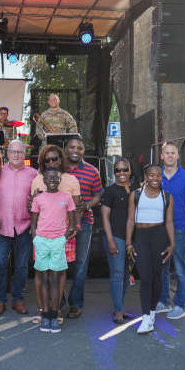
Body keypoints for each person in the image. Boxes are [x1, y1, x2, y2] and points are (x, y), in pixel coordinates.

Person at [31, 145, 81, 323]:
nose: (51, 162)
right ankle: (41, 308)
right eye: (47, 160)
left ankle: (56, 308)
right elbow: (34, 207)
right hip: (43, 234)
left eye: (55, 159)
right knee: (42, 271)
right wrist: (34, 233)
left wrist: (75, 227)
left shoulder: (72, 180)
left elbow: (76, 208)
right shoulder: (38, 180)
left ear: (61, 159)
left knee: (58, 272)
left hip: (64, 235)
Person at [126, 164, 175, 334]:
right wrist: (128, 244)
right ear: (146, 177)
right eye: (151, 175)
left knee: (157, 277)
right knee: (146, 278)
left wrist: (172, 244)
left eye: (158, 175)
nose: (155, 178)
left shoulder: (167, 197)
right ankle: (146, 317)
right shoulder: (136, 195)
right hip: (141, 236)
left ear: (162, 177)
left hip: (159, 236)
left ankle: (152, 311)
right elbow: (131, 220)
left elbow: (169, 222)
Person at [0, 140, 38, 315]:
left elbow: (38, 198)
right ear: (7, 153)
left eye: (20, 152)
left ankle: (18, 299)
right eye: (13, 151)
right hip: (1, 226)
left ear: (24, 154)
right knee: (1, 265)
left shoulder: (33, 174)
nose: (16, 155)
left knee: (21, 266)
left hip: (24, 226)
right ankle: (0, 300)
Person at [158, 142, 185, 320]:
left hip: (180, 228)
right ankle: (163, 301)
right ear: (162, 156)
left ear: (178, 156)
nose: (170, 156)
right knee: (161, 267)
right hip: (158, 228)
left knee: (181, 268)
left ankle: (180, 304)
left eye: (173, 153)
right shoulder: (155, 176)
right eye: (167, 153)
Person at [65, 136, 103, 319]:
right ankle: (57, 301)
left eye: (79, 148)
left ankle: (75, 303)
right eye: (72, 147)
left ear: (83, 151)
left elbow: (98, 194)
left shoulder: (92, 171)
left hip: (84, 222)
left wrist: (88, 205)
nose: (75, 150)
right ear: (66, 149)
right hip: (59, 223)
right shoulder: (57, 169)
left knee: (80, 264)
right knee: (57, 264)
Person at [101, 158, 136, 323]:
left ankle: (120, 306)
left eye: (124, 170)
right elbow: (105, 217)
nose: (121, 173)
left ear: (130, 171)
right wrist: (110, 240)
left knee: (126, 274)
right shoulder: (110, 191)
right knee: (117, 273)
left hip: (132, 238)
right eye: (118, 170)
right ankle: (118, 310)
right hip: (115, 236)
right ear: (114, 173)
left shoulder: (137, 190)